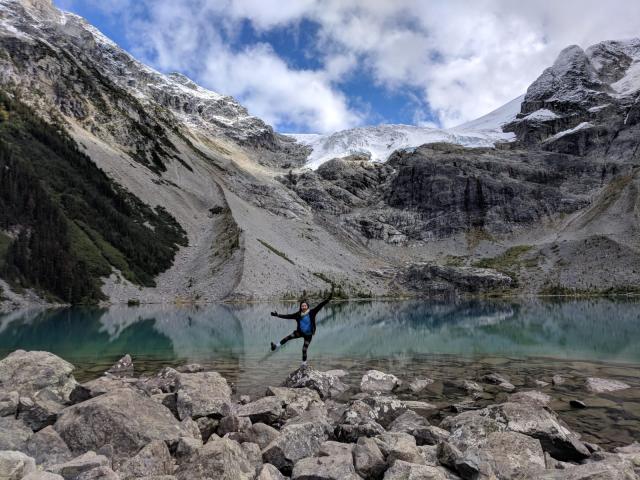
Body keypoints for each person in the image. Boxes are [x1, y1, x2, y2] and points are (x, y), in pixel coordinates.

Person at [270, 291, 333, 367]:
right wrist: (278, 315)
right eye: (302, 306)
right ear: (300, 307)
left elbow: (320, 305)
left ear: (307, 306)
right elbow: (288, 316)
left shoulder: (312, 312)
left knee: (304, 349)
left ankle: (304, 364)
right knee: (287, 338)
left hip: (308, 335)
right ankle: (275, 346)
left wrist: (328, 299)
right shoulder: (298, 314)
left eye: (305, 306)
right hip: (299, 332)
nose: (303, 307)